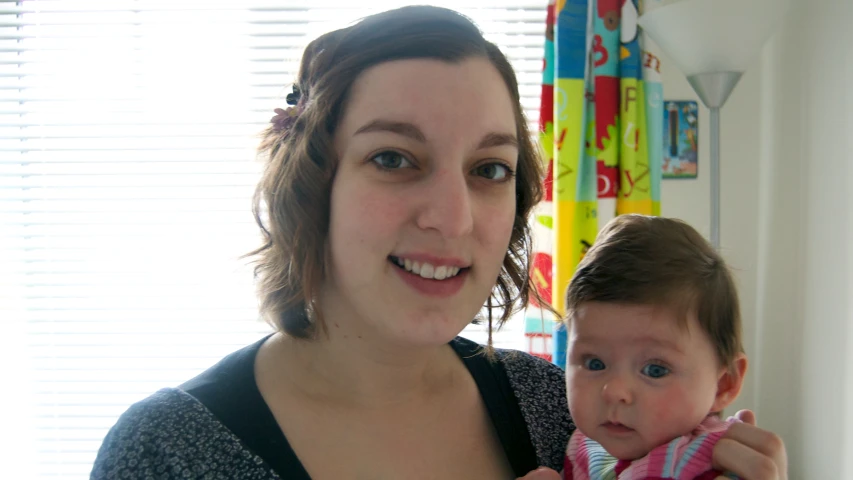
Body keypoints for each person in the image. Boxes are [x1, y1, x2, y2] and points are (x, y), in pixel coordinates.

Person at [90, 6, 788, 480]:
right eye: (394, 158)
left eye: (488, 170)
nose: (453, 218)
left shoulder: (559, 411)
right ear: (312, 186)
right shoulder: (167, 452)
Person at [561, 215, 748, 479]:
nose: (614, 391)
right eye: (594, 363)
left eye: (655, 370)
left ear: (724, 382)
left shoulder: (709, 462)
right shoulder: (587, 447)